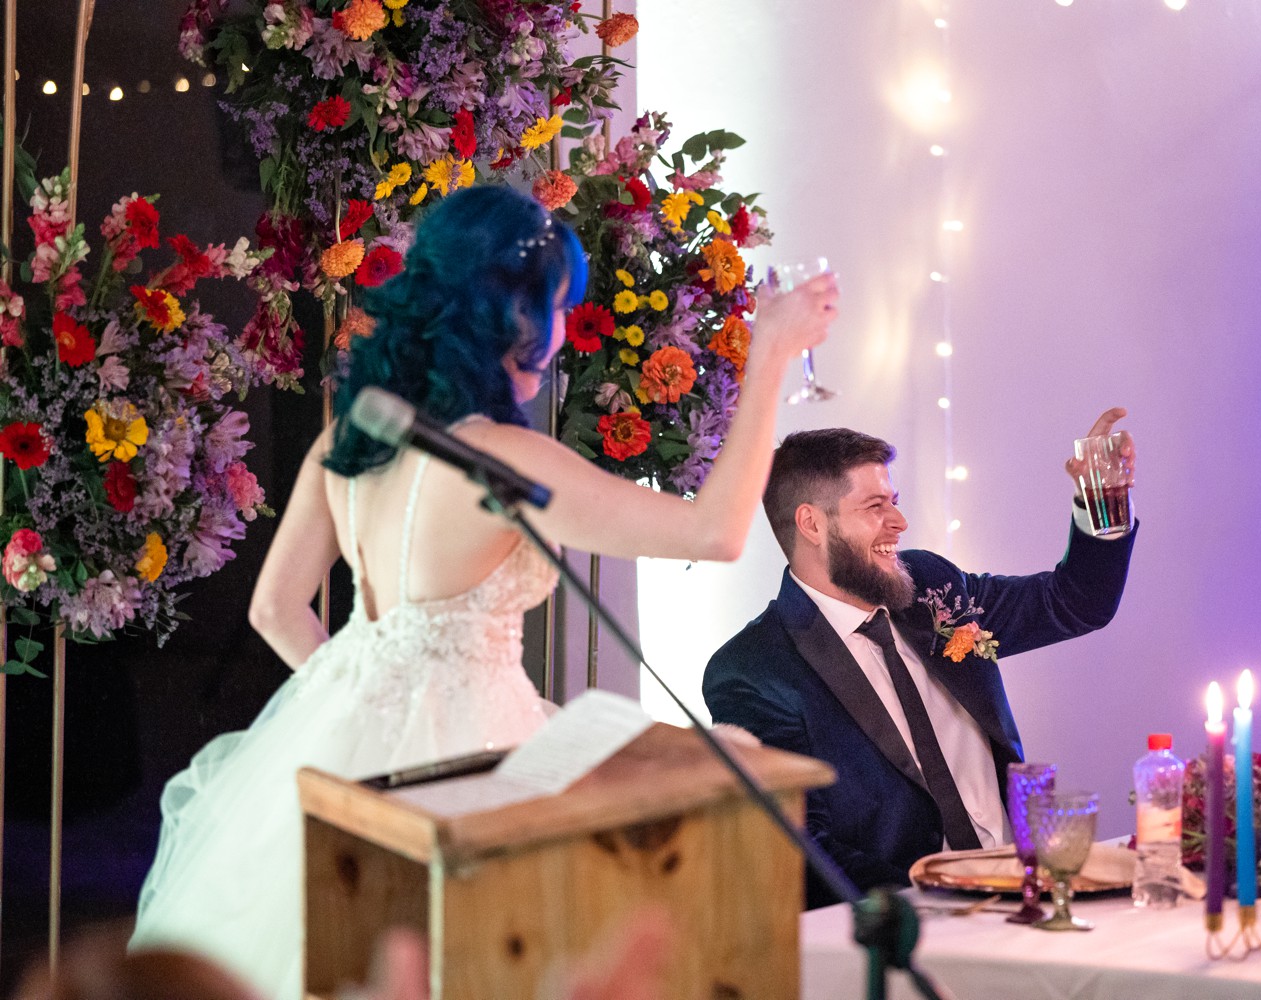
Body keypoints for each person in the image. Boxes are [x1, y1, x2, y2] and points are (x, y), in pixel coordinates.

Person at [129, 185, 837, 999]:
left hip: (341, 750)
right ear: (517, 317)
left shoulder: (354, 433)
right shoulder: (500, 463)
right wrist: (770, 359)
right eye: (561, 308)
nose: (567, 331)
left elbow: (273, 609)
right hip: (478, 762)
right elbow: (715, 533)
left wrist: (367, 696)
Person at [702, 415, 1137, 909]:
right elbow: (801, 848)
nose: (899, 523)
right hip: (908, 925)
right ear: (812, 524)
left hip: (1025, 893)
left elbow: (1074, 603)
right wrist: (936, 902)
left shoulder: (930, 587)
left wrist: (1103, 499)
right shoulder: (755, 669)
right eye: (874, 507)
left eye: (895, 502)